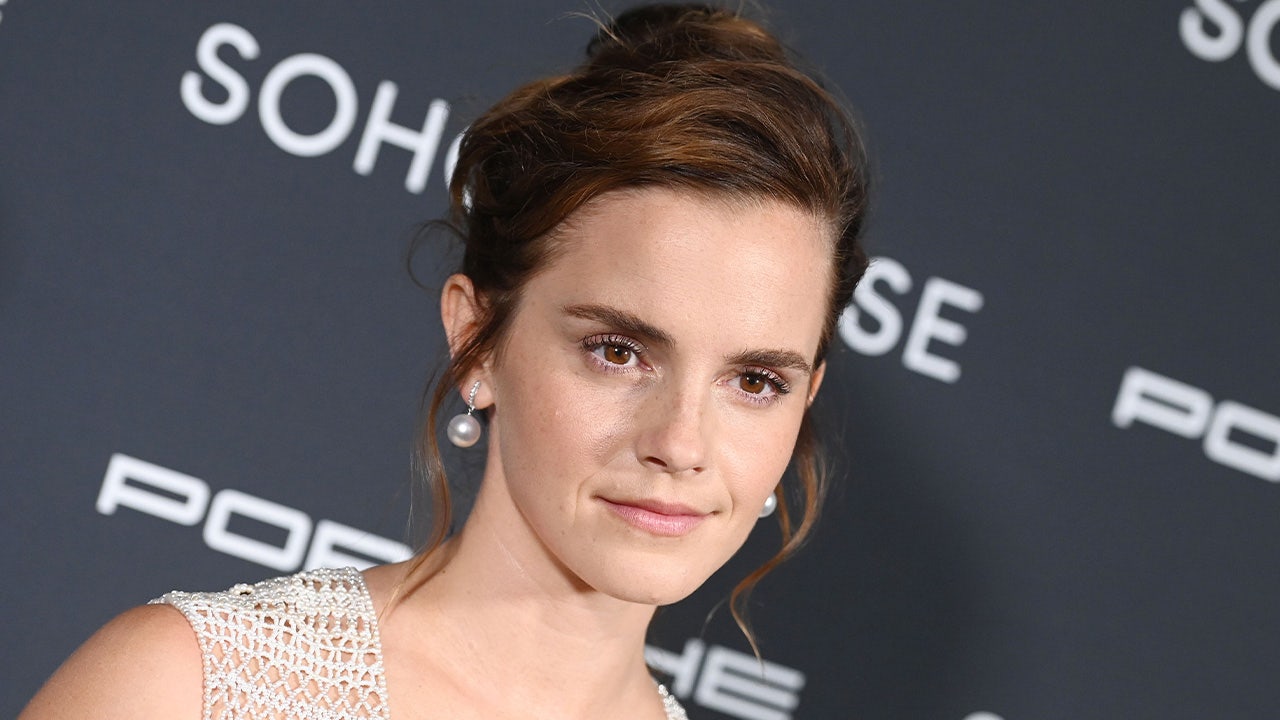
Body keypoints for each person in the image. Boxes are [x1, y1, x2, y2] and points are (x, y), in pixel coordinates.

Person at [20, 3, 869, 718]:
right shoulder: (187, 689)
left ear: (805, 401)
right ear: (477, 340)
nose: (680, 444)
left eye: (755, 381)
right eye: (618, 352)